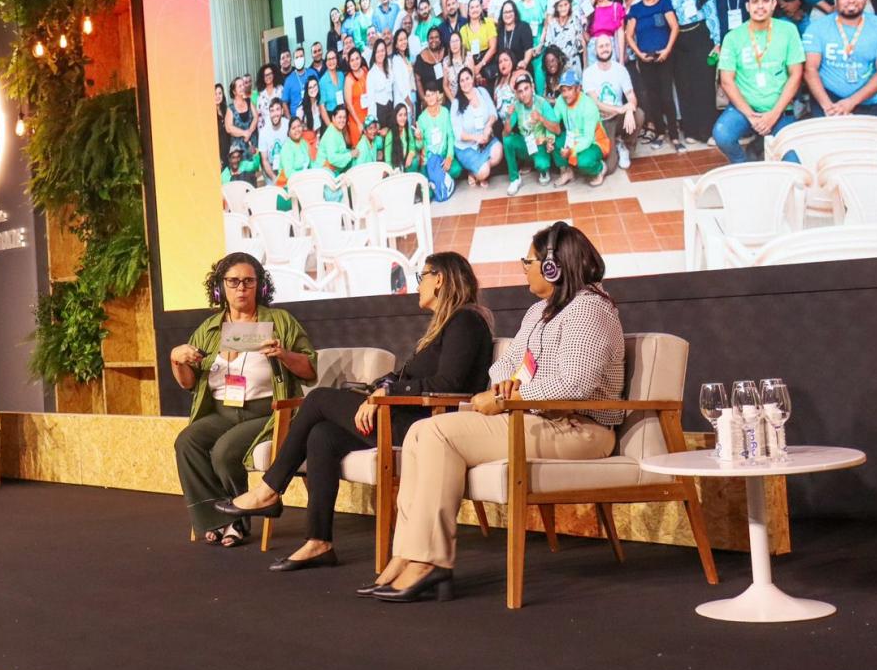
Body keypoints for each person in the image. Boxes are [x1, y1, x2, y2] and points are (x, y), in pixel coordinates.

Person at [370, 223, 624, 602]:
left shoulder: (590, 309)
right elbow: (503, 366)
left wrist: (509, 399)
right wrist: (505, 386)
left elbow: (575, 385)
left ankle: (430, 561)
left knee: (437, 432)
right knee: (421, 432)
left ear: (554, 267)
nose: (524, 268)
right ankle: (407, 554)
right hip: (532, 419)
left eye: (529, 261)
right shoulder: (539, 312)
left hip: (579, 428)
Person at [219, 252, 492, 570]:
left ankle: (269, 489)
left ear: (440, 279)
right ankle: (318, 542)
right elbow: (407, 377)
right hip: (405, 416)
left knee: (318, 399)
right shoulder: (445, 325)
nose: (418, 285)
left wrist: (387, 393)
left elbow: (450, 383)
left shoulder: (466, 321)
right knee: (322, 435)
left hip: (428, 426)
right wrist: (376, 388)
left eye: (422, 277)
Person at [171, 255, 316, 548]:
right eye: (233, 281)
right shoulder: (209, 328)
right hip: (222, 411)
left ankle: (236, 519)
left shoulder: (279, 321)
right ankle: (216, 520)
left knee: (224, 452)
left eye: (248, 281)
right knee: (186, 442)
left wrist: (283, 355)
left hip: (268, 412)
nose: (241, 288)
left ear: (260, 286)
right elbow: (188, 383)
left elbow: (310, 371)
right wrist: (177, 360)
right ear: (220, 287)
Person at [713, 0, 806, 163]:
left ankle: (758, 145)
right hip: (744, 109)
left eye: (765, 0)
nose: (760, 6)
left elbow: (796, 74)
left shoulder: (788, 31)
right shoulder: (733, 37)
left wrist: (774, 114)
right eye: (755, 1)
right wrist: (750, 115)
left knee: (793, 161)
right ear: (747, 6)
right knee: (722, 134)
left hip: (780, 109)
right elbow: (726, 81)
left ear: (773, 4)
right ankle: (743, 165)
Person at [801, 0, 877, 116]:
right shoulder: (816, 28)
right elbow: (810, 69)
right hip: (826, 101)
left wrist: (850, 102)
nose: (851, 0)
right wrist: (829, 108)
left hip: (868, 102)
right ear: (835, 0)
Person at [663, 0, 720, 147]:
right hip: (679, 38)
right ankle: (691, 130)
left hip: (701, 34)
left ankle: (708, 130)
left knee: (704, 84)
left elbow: (712, 12)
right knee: (684, 84)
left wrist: (717, 41)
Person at [625, 0, 680, 149]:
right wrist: (639, 54)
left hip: (664, 55)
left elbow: (674, 27)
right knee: (652, 96)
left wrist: (668, 50)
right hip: (645, 58)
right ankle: (660, 132)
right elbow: (628, 35)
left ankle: (674, 135)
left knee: (667, 96)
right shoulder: (636, 9)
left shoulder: (664, 3)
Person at [583, 34, 641, 173]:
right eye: (601, 46)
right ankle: (615, 143)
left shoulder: (620, 70)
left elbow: (631, 96)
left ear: (612, 47)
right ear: (595, 50)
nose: (605, 49)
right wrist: (620, 109)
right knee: (609, 168)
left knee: (638, 114)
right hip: (601, 121)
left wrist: (629, 109)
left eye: (607, 45)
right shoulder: (589, 73)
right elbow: (595, 103)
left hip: (618, 118)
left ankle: (625, 146)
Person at [501, 72, 561, 195]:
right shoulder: (516, 105)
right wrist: (508, 117)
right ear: (517, 94)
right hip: (526, 144)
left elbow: (557, 130)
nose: (524, 94)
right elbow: (505, 134)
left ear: (532, 87)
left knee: (542, 166)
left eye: (526, 89)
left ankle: (543, 170)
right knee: (508, 140)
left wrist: (541, 118)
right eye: (520, 91)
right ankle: (514, 179)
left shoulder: (542, 103)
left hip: (540, 145)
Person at [552, 69, 610, 187]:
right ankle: (567, 172)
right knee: (554, 141)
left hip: (594, 142)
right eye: (563, 90)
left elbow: (588, 139)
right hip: (573, 138)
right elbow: (553, 122)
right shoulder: (560, 100)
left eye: (570, 89)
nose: (566, 94)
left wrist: (572, 151)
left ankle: (600, 168)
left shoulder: (589, 106)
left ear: (578, 88)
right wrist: (548, 138)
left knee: (583, 162)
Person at [450, 67, 502, 186]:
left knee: (498, 151)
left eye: (467, 78)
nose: (465, 82)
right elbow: (458, 134)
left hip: (485, 140)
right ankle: (477, 171)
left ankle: (477, 170)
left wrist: (488, 126)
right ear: (459, 84)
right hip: (466, 147)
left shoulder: (482, 92)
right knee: (484, 172)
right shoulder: (456, 103)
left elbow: (493, 113)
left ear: (472, 78)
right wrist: (477, 138)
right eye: (462, 80)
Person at [417, 84, 457, 201]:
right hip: (429, 160)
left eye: (432, 94)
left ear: (438, 95)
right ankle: (437, 182)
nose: (430, 98)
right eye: (427, 95)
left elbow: (450, 136)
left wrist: (449, 157)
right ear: (425, 98)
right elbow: (419, 146)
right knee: (428, 194)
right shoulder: (422, 118)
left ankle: (438, 181)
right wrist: (419, 139)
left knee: (457, 169)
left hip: (443, 157)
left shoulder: (445, 112)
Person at [342, 48, 368, 145]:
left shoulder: (365, 70)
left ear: (361, 58)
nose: (355, 62)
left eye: (357, 58)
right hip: (356, 119)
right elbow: (348, 105)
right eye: (352, 60)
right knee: (360, 147)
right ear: (349, 62)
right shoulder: (348, 79)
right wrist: (358, 123)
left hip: (369, 115)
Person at [413, 26, 446, 100]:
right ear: (427, 40)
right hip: (429, 99)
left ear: (440, 39)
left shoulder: (446, 53)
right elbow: (418, 80)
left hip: (445, 97)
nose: (434, 40)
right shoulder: (420, 57)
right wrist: (424, 99)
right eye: (431, 38)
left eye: (436, 37)